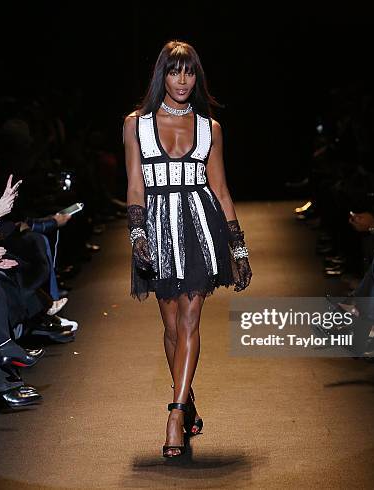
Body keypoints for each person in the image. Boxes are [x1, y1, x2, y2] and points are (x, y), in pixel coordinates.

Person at [123, 40, 252, 458]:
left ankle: (175, 414)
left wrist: (239, 248)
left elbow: (221, 189)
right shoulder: (135, 125)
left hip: (199, 227)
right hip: (157, 229)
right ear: (162, 74)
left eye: (190, 72)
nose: (182, 80)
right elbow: (135, 186)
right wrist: (137, 236)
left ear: (197, 77)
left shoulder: (209, 128)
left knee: (191, 318)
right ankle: (188, 396)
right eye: (175, 71)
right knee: (171, 324)